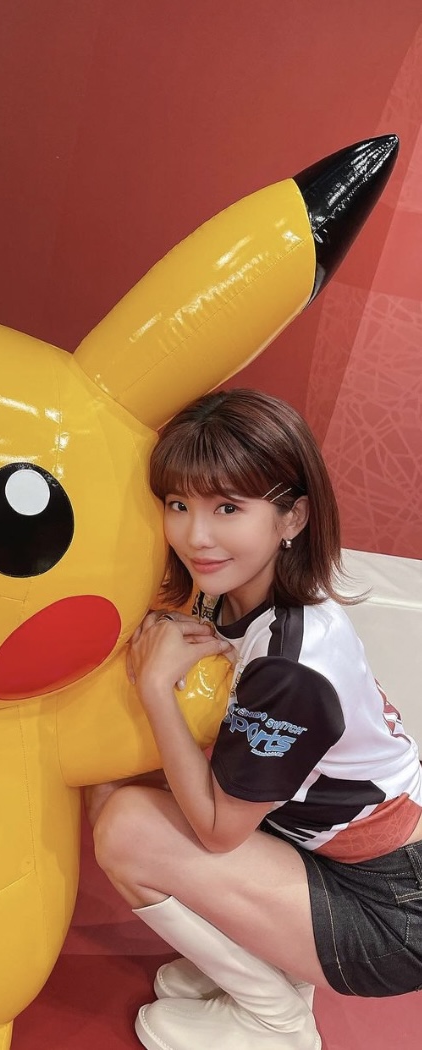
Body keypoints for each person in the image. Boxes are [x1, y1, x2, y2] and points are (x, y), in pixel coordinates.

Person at [87, 389, 422, 1050]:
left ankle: (274, 1018)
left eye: (228, 508)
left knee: (126, 825)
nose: (195, 535)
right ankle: (266, 960)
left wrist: (156, 689)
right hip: (329, 854)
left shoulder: (292, 664)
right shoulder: (237, 594)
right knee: (117, 779)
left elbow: (217, 831)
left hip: (391, 912)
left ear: (292, 516)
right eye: (178, 504)